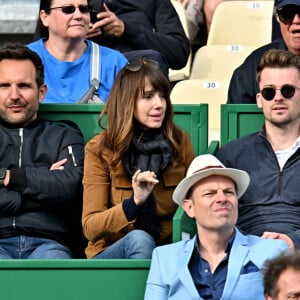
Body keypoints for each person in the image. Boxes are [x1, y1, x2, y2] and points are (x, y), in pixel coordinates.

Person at [82, 58, 194, 259]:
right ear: (127, 101)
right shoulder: (100, 149)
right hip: (113, 249)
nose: (159, 104)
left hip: (167, 249)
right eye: (148, 97)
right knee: (140, 239)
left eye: (162, 96)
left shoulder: (179, 141)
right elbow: (90, 227)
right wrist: (134, 202)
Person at [144, 154, 289, 300]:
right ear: (189, 207)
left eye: (229, 192)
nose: (222, 199)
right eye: (210, 193)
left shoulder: (272, 250)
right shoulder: (164, 258)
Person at [0, 42, 85, 259]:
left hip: (50, 244)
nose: (14, 95)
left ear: (41, 92)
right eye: (4, 86)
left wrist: (8, 176)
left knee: (56, 274)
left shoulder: (65, 135)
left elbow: (72, 187)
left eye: (24, 86)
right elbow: (57, 187)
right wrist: (42, 186)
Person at [217, 49, 300, 251]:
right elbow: (218, 217)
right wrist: (252, 245)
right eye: (269, 92)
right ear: (259, 99)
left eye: (288, 90)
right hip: (245, 257)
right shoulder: (231, 156)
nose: (278, 98)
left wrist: (292, 242)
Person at [29, 0, 127, 104]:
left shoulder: (115, 63)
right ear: (44, 17)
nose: (78, 15)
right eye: (67, 9)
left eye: (84, 9)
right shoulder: (22, 59)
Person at [87, 0, 190, 78]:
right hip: (87, 67)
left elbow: (179, 53)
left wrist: (127, 30)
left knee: (152, 60)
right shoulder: (77, 5)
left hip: (138, 73)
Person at [227, 0, 300, 104]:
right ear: (278, 18)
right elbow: (237, 117)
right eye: (287, 13)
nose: (296, 20)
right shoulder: (255, 64)